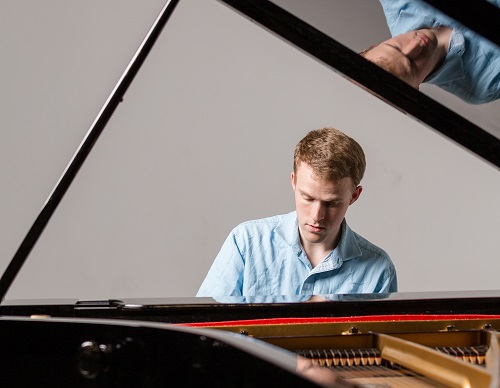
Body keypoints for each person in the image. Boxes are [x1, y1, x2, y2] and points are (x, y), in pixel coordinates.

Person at [197, 127, 397, 297]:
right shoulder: (246, 243)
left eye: (332, 203)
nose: (317, 216)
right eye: (308, 198)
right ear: (293, 181)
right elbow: (203, 326)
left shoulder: (379, 270)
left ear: (354, 196)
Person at [361, 0, 500, 104]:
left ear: (371, 48)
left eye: (395, 47)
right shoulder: (485, 86)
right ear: (415, 89)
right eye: (412, 65)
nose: (415, 45)